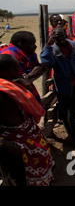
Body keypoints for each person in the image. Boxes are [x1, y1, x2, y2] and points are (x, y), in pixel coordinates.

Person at [0, 54, 54, 186]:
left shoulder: (11, 85)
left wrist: (26, 87)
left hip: (29, 138)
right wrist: (4, 143)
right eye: (15, 68)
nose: (18, 71)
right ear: (8, 71)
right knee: (20, 179)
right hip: (15, 145)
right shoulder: (1, 92)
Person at [0, 31, 45, 105]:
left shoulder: (25, 53)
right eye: (32, 44)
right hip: (10, 95)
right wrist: (28, 76)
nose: (35, 46)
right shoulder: (10, 56)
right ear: (20, 45)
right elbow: (10, 81)